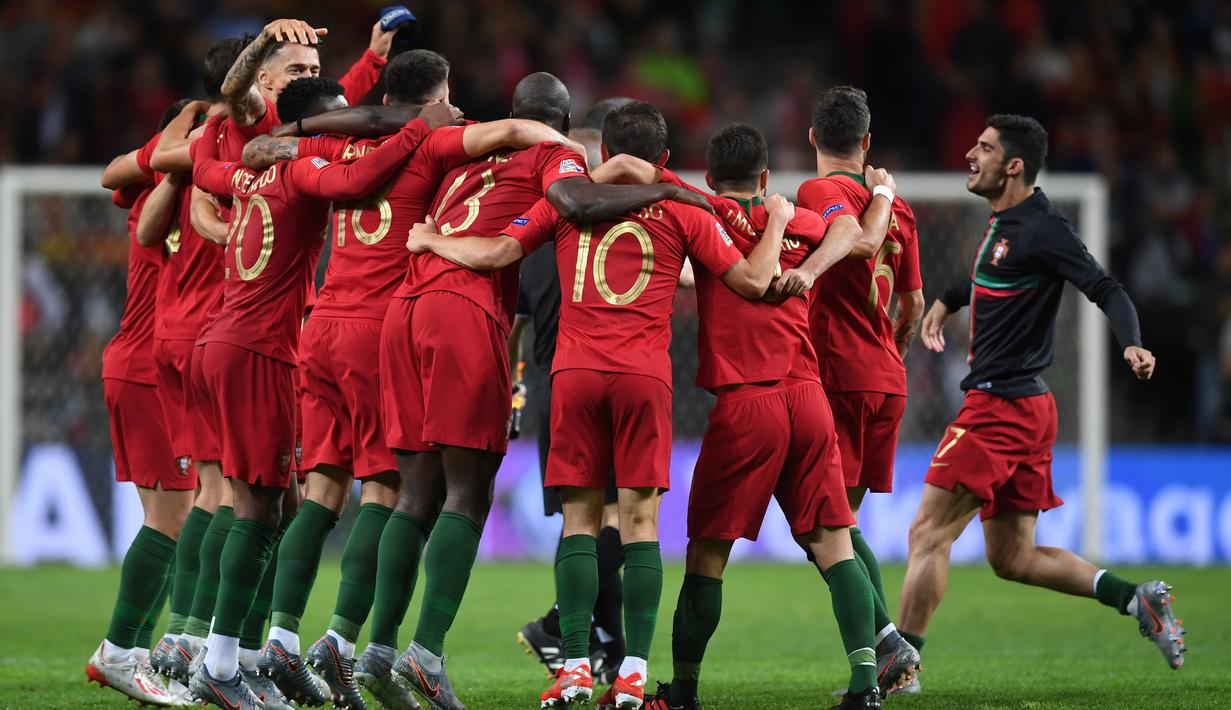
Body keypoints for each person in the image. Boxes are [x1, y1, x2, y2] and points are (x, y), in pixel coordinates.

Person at [404, 101, 786, 710]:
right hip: (643, 377)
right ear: (663, 157)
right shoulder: (683, 203)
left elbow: (498, 253)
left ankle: (576, 667)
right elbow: (750, 282)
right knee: (640, 526)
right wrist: (776, 226)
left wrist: (430, 239)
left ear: (603, 152)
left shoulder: (562, 198)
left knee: (580, 524)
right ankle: (633, 673)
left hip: (574, 376)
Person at [590, 122, 897, 710]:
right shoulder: (802, 221)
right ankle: (865, 687)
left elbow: (634, 168)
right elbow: (852, 232)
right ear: (765, 176)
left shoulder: (702, 208)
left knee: (707, 555)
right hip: (809, 401)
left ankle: (682, 691)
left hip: (746, 406)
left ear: (709, 176)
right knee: (834, 545)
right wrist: (806, 264)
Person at [896, 114, 1183, 691]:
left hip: (999, 408)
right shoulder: (1006, 222)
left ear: (1015, 165)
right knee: (1013, 558)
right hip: (1026, 408)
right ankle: (1137, 601)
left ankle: (898, 669)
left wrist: (1133, 344)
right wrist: (949, 299)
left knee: (928, 533)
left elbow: (1106, 287)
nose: (970, 155)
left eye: (984, 148)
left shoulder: (1044, 227)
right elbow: (991, 274)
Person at [186, 79, 438, 710]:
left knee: (297, 495)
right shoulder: (307, 168)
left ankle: (260, 649)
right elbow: (353, 182)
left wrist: (217, 127)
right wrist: (419, 127)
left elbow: (202, 168)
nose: (344, 127)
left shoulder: (256, 172)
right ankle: (257, 653)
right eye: (334, 120)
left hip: (295, 332)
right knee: (358, 492)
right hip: (305, 342)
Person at [776, 86, 925, 691]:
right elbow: (911, 304)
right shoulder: (903, 211)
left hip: (837, 375)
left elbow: (854, 241)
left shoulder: (820, 192)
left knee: (819, 523)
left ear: (811, 138)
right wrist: (890, 352)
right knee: (844, 522)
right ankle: (889, 662)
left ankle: (888, 645)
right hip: (887, 378)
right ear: (867, 142)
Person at [513, 99, 635, 687]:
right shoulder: (600, 229)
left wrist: (513, 384)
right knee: (607, 519)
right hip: (589, 381)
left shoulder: (538, 229)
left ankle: (602, 647)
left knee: (584, 520)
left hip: (550, 388)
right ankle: (559, 624)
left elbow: (515, 320)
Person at [86, 101, 200, 708]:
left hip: (157, 367)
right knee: (174, 520)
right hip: (149, 368)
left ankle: (152, 650)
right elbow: (124, 170)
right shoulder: (169, 183)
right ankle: (121, 652)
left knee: (184, 520)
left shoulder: (170, 182)